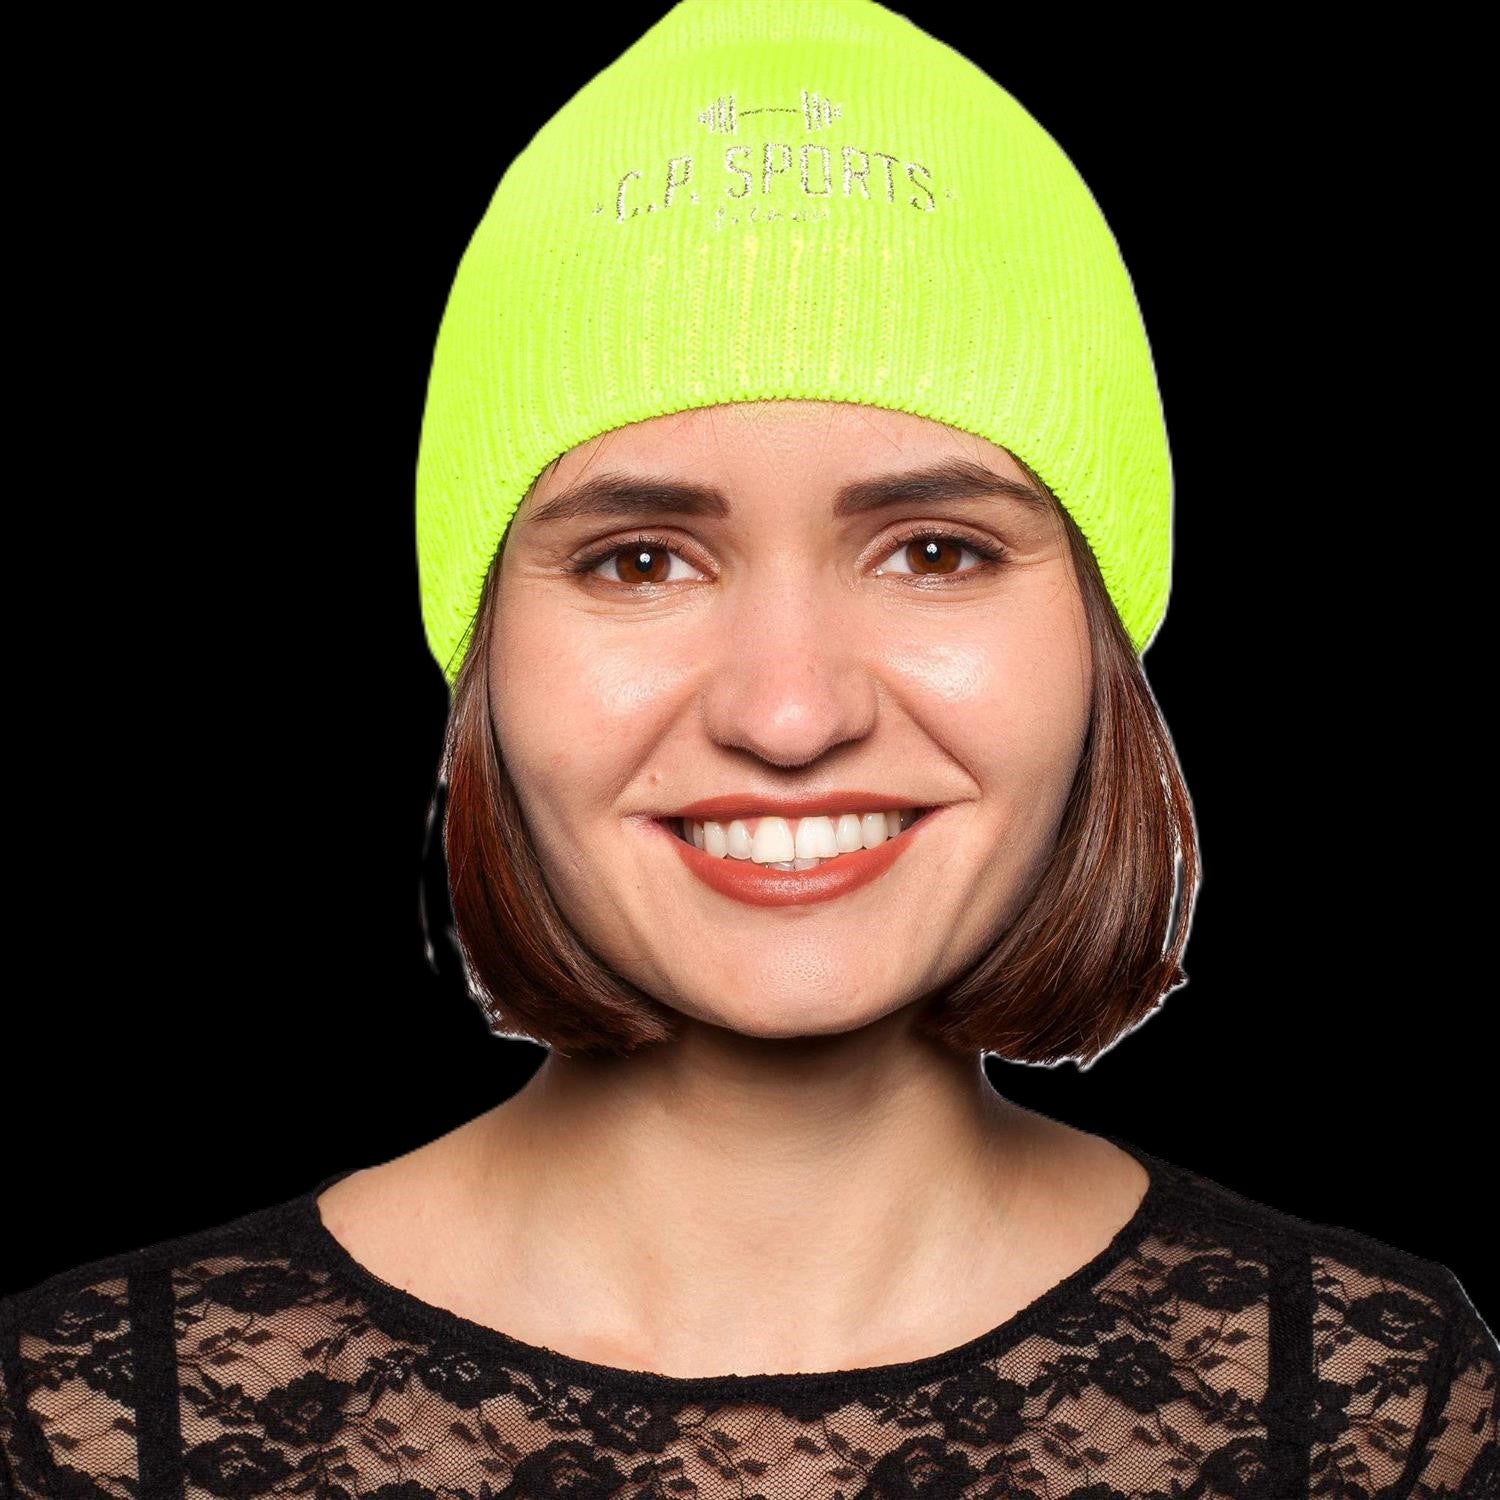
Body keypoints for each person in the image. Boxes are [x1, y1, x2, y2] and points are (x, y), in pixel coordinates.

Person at [2, 3, 1494, 1497]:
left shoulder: (1365, 1408)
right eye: (641, 561)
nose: (788, 716)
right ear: (483, 657)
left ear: (1105, 643)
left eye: (934, 551)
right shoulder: (98, 1422)